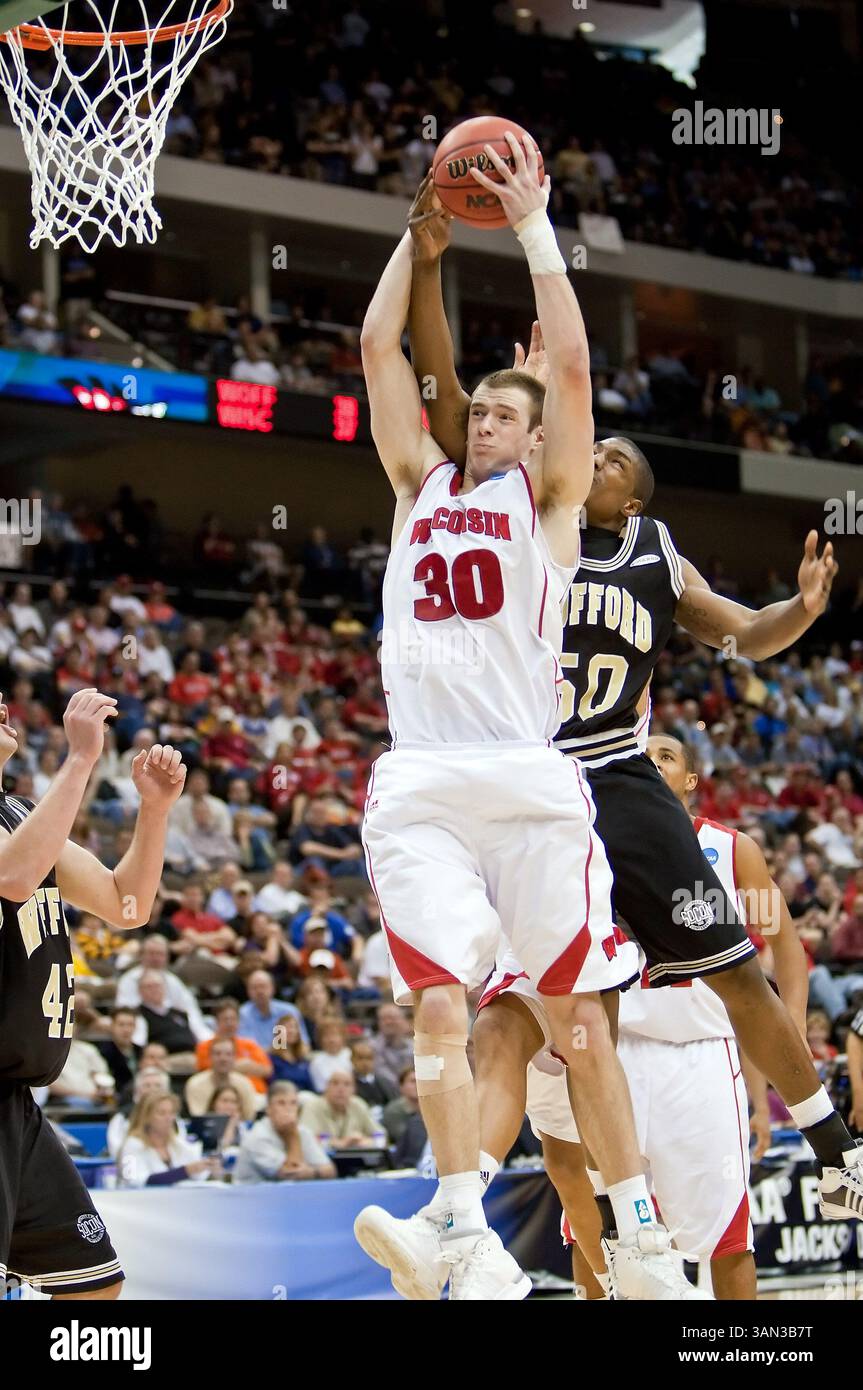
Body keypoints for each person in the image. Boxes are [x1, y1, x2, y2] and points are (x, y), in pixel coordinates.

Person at [408, 175, 863, 1258]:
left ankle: (835, 1151)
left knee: (735, 969)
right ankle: (524, 1224)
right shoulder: (527, 510)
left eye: (612, 456)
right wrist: (441, 275)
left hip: (615, 774)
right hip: (528, 782)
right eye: (587, 446)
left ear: (637, 496)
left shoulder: (654, 554)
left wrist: (795, 612)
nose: (594, 454)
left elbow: (740, 635)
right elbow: (452, 400)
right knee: (531, 1019)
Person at [353, 148, 696, 1306]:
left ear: (533, 437)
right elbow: (375, 350)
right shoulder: (416, 482)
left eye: (508, 411)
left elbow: (573, 360)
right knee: (442, 1003)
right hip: (421, 780)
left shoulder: (547, 506)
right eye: (482, 407)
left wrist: (537, 229)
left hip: (530, 778)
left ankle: (641, 1241)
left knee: (578, 1025)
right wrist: (421, 239)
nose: (487, 418)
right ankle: (462, 1230)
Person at [477, 734, 810, 1300]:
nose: (652, 761)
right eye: (645, 752)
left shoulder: (731, 850)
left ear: (689, 781)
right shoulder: (586, 840)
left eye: (668, 756)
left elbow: (784, 944)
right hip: (616, 1049)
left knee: (726, 1236)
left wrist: (789, 1040)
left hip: (700, 1051)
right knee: (595, 1223)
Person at [0, 687, 187, 1296]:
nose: (4, 708)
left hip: (16, 1103)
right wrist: (81, 759)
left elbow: (126, 904)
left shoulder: (24, 815)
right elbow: (12, 876)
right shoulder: (23, 839)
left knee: (93, 1287)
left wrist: (153, 811)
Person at [234, 1082, 335, 1184]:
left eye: (293, 1103)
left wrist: (312, 1172)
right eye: (281, 1103)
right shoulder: (258, 1137)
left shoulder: (303, 1132)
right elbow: (291, 1176)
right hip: (253, 1196)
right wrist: (293, 1136)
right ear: (268, 1109)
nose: (288, 1109)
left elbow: (329, 1170)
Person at [118, 1093, 219, 1188]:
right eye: (162, 1113)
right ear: (146, 1117)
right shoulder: (130, 1146)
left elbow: (198, 1176)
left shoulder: (179, 1143)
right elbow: (133, 1182)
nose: (169, 1118)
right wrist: (185, 1171)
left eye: (172, 1113)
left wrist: (206, 1167)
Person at [194, 1000, 273, 1095]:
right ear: (217, 1022)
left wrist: (245, 1066)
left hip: (256, 1093)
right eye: (225, 1019)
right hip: (220, 1095)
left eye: (233, 1019)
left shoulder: (249, 1044)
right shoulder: (204, 1046)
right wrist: (240, 1067)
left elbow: (267, 1070)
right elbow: (207, 1071)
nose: (230, 1023)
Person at [301, 1071, 383, 1150]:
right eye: (335, 1083)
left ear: (354, 1090)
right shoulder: (313, 1106)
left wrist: (365, 1142)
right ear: (326, 1087)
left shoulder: (358, 1105)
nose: (341, 1089)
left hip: (355, 1158)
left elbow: (380, 1135)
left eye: (347, 1084)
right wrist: (340, 1143)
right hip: (322, 1160)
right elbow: (305, 1139)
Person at [184, 1037, 259, 1120]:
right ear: (209, 1057)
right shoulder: (195, 1084)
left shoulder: (245, 1083)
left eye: (228, 1054)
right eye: (218, 1054)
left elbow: (250, 1116)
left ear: (235, 1058)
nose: (223, 1059)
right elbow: (198, 1117)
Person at [238, 967, 309, 1050]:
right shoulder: (242, 1013)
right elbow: (244, 1048)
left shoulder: (289, 1011)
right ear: (248, 991)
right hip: (255, 1060)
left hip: (287, 1060)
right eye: (254, 987)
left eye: (263, 986)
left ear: (273, 988)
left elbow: (304, 1045)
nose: (259, 991)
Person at [95, 1007, 141, 1094]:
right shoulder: (103, 1052)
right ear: (112, 1026)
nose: (126, 1030)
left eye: (130, 1025)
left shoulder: (141, 1051)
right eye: (121, 1025)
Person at [369, 1002, 413, 1093]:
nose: (388, 1022)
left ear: (403, 1021)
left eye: (392, 1018)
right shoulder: (372, 1047)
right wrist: (404, 1087)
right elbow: (381, 1074)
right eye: (384, 1019)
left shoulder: (413, 1046)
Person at [269, 1013, 315, 1092]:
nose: (291, 1031)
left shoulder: (303, 1059)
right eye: (286, 1027)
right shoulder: (272, 1058)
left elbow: (311, 1086)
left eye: (294, 1027)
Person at [351, 1038, 398, 1110]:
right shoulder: (349, 1082)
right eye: (360, 1058)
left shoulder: (384, 1082)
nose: (365, 1063)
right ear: (352, 1060)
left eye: (369, 1058)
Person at [309, 1017, 353, 1093]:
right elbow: (320, 1088)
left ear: (343, 1037)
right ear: (320, 1039)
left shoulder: (351, 1055)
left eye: (335, 1035)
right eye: (326, 1036)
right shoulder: (316, 1062)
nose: (331, 1040)